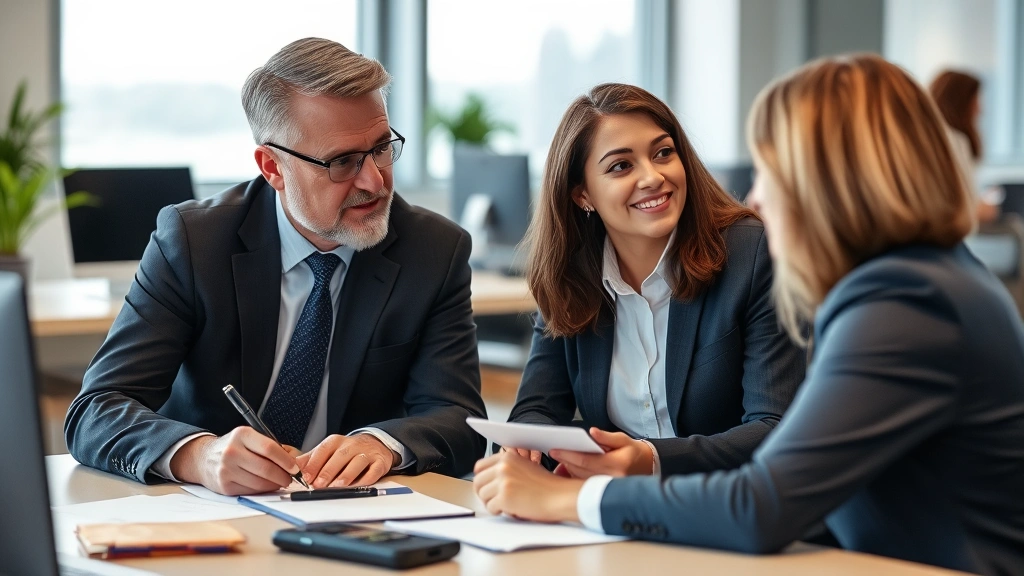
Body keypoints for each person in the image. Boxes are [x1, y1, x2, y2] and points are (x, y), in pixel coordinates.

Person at [474, 55, 1024, 575]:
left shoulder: (903, 303)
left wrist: (569, 498)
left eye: (770, 172)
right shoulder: (919, 281)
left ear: (832, 180)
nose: (756, 198)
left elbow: (760, 503)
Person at [65, 38, 487, 495]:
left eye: (382, 148)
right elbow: (96, 410)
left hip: (356, 513)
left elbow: (459, 419)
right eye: (342, 161)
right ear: (272, 167)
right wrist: (199, 456)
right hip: (208, 512)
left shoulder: (434, 250)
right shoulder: (194, 241)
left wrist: (381, 444)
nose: (375, 180)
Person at [503, 83, 804, 479]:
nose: (652, 177)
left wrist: (649, 458)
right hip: (618, 507)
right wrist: (527, 443)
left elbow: (774, 428)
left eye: (663, 153)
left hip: (729, 503)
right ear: (582, 195)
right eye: (621, 166)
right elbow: (536, 409)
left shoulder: (752, 254)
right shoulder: (571, 275)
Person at [929, 70, 999, 223]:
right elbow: (960, 209)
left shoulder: (931, 139)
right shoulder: (955, 142)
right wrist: (981, 209)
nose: (980, 110)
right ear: (961, 103)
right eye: (976, 101)